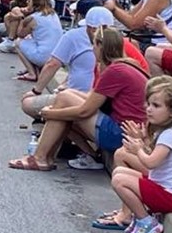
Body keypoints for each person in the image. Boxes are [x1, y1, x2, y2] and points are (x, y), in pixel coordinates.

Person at [8, 25, 148, 172]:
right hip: (126, 128)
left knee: (65, 100)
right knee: (65, 97)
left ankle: (40, 158)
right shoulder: (128, 64)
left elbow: (84, 111)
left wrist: (50, 113)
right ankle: (46, 157)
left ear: (100, 46)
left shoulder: (115, 71)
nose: (92, 49)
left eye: (93, 45)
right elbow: (92, 98)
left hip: (120, 132)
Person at [100, 76, 172, 233]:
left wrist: (138, 149)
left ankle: (146, 222)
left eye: (156, 106)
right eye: (148, 104)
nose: (149, 109)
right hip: (163, 188)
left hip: (171, 196)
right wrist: (141, 140)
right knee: (119, 171)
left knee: (120, 180)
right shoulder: (164, 130)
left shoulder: (171, 134)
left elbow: (151, 162)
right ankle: (138, 217)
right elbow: (153, 154)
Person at [9, 0, 65, 82]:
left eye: (29, 1)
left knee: (17, 43)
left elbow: (20, 34)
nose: (27, 2)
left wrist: (22, 17)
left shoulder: (34, 18)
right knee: (32, 40)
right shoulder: (53, 14)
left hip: (43, 56)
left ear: (35, 3)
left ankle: (31, 73)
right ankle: (33, 68)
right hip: (55, 55)